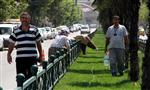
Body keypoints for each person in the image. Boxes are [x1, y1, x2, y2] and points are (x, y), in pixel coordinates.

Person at [7, 12, 43, 79]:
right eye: (22, 18)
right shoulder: (16, 30)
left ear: (29, 19)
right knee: (20, 77)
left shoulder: (34, 29)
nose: (24, 20)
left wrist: (41, 55)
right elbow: (12, 43)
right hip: (20, 59)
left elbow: (38, 43)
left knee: (32, 78)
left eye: (26, 18)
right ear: (20, 19)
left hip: (32, 58)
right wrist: (9, 54)